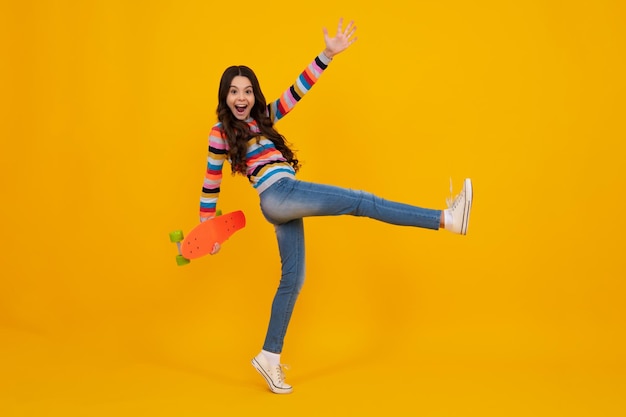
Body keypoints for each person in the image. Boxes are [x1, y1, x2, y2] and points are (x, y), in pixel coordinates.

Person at [199, 18, 473, 394]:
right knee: (362, 202)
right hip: (278, 194)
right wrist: (206, 231)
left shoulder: (265, 118)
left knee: (293, 280)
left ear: (255, 94)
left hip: (284, 198)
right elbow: (210, 182)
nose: (242, 97)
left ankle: (269, 357)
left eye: (248, 90)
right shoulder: (221, 133)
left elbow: (297, 90)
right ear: (225, 97)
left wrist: (326, 55)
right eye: (234, 92)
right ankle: (447, 218)